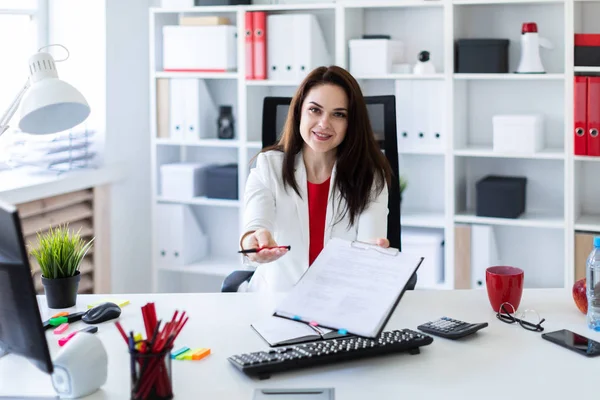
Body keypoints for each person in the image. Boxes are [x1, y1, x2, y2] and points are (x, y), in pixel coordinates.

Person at [240, 65, 393, 292]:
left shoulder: (370, 177)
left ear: (351, 123)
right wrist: (254, 241)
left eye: (338, 114)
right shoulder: (268, 166)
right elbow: (255, 226)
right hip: (274, 300)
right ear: (299, 111)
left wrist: (371, 256)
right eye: (315, 110)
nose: (324, 123)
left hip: (338, 306)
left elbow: (369, 249)